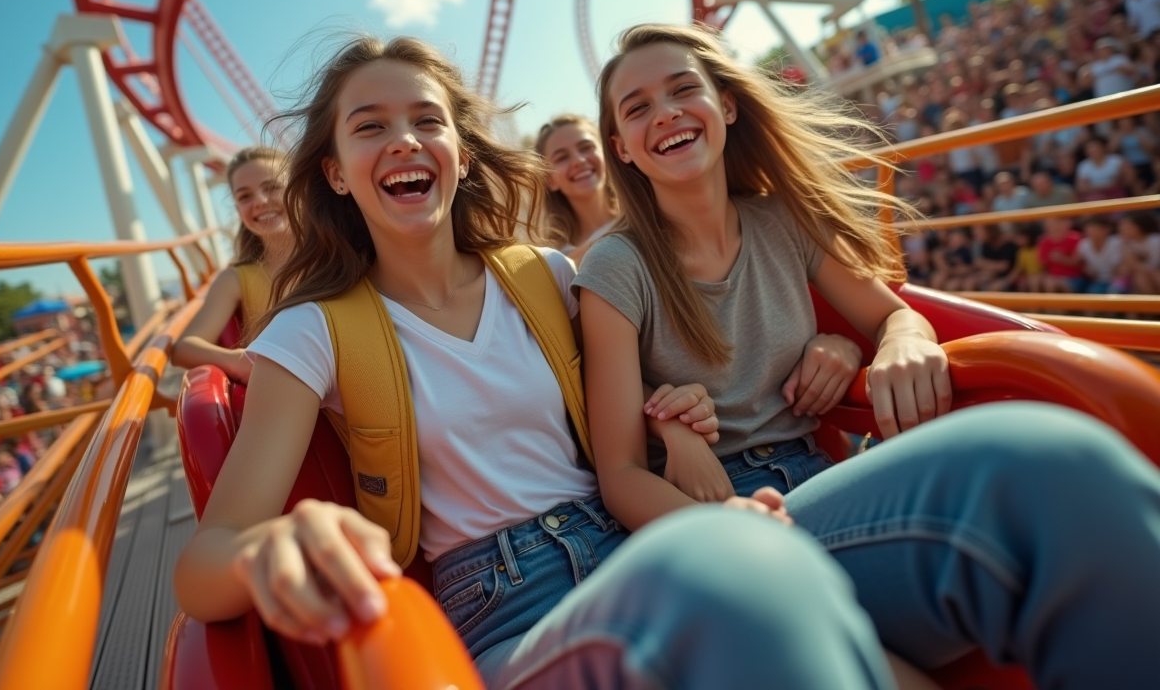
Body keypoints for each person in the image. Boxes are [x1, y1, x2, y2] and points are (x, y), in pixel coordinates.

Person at [176, 34, 892, 690]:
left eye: (427, 121)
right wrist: (269, 550)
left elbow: (636, 397)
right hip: (505, 602)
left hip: (629, 545)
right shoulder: (310, 332)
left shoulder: (545, 277)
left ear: (461, 153)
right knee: (752, 592)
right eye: (371, 127)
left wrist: (815, 354)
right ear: (335, 174)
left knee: (799, 604)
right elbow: (203, 566)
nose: (405, 141)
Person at [575, 22, 1160, 689]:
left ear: (727, 105)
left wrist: (899, 342)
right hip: (717, 516)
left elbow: (892, 314)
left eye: (684, 89)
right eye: (638, 107)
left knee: (1057, 468)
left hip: (821, 478)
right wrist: (728, 533)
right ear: (622, 149)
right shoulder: (616, 266)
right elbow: (622, 473)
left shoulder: (783, 219)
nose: (666, 113)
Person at [171, 146, 293, 381]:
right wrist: (239, 361)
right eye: (245, 196)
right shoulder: (236, 279)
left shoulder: (341, 259)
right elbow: (183, 349)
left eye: (272, 187)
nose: (260, 201)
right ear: (238, 210)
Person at [534, 114, 617, 264]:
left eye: (586, 148)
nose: (578, 160)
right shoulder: (557, 264)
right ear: (550, 180)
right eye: (562, 158)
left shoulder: (651, 214)